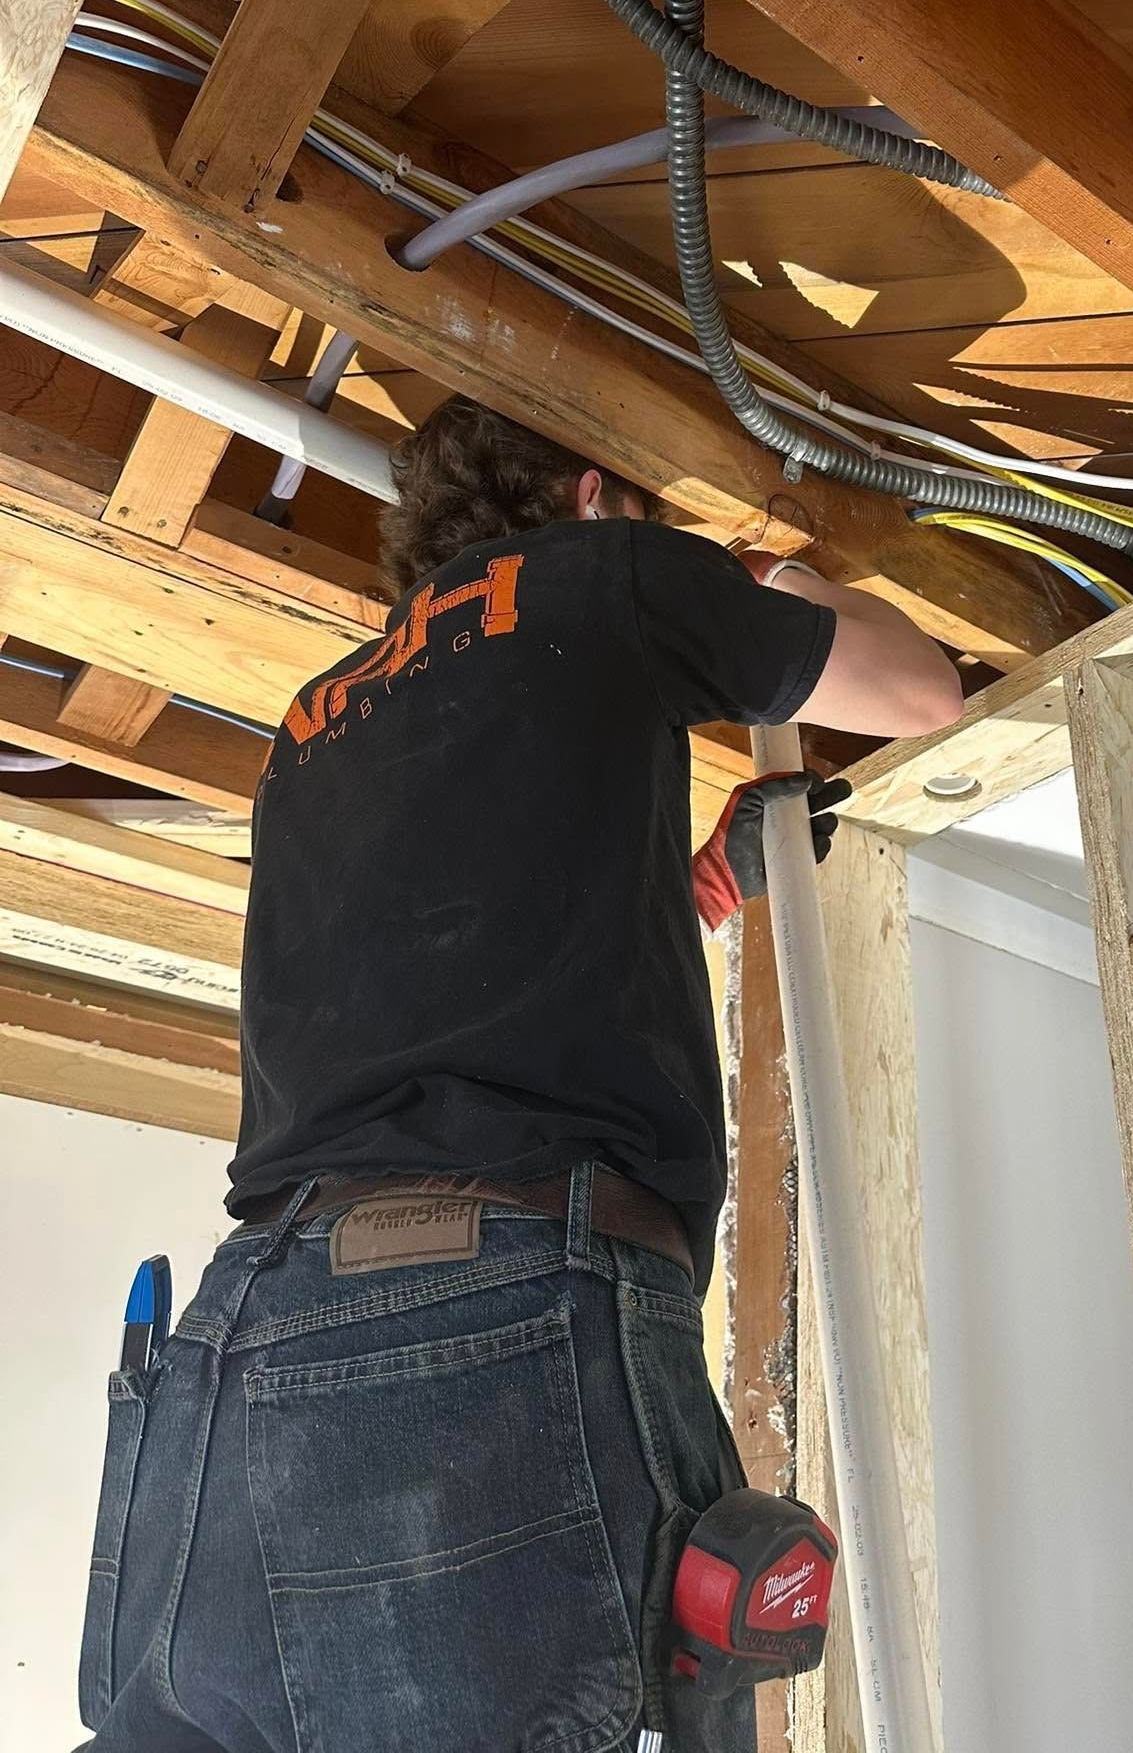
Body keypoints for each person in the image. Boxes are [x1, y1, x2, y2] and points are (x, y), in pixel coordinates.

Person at [76, 395, 962, 1753]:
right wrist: (767, 575)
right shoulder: (596, 574)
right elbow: (919, 689)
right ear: (597, 492)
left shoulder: (311, 725)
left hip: (266, 1318)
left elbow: (467, 954)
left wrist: (700, 887)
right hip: (493, 1306)